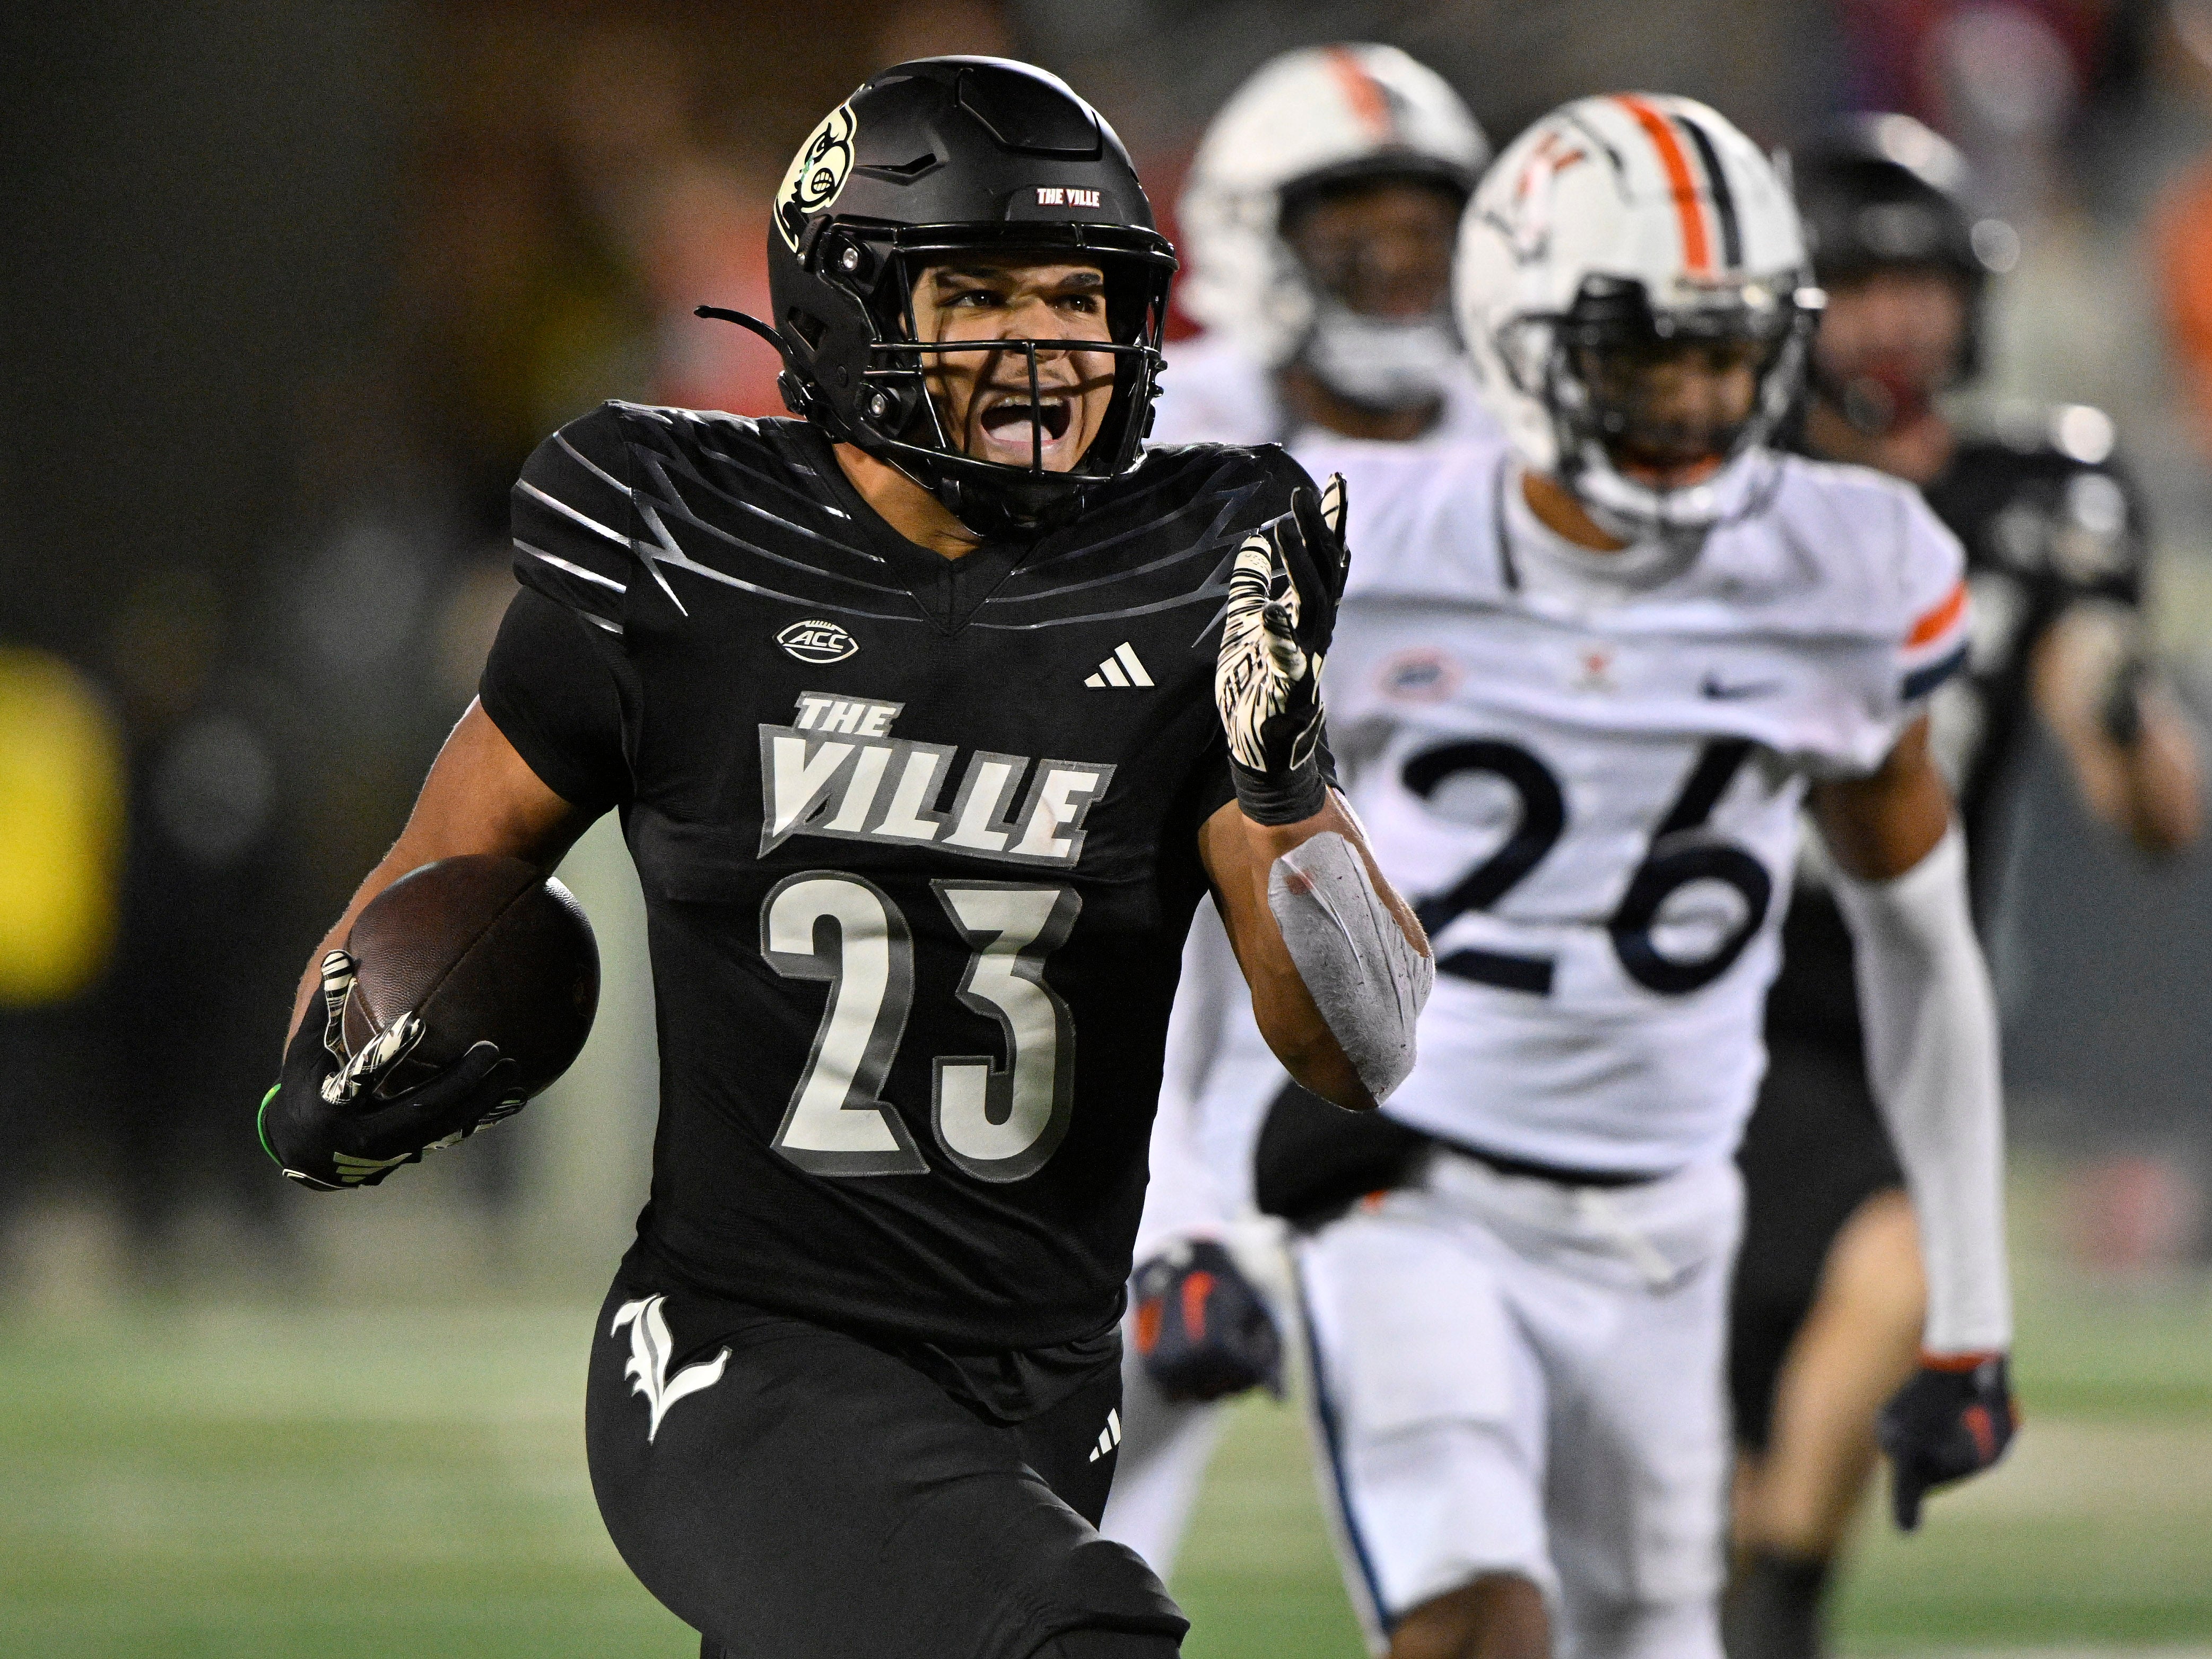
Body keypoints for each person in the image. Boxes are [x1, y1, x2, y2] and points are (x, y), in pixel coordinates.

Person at [254, 57, 1433, 1659]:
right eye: (984, 295)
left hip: (1045, 1374)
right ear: (846, 312)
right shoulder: (678, 541)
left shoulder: (1195, 570)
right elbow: (414, 905)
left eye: (1085, 299)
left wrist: (1286, 786)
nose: (1051, 346)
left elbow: (1360, 1048)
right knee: (1080, 1634)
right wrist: (347, 1060)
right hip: (740, 1347)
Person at [1264, 94, 2019, 1659]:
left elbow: (1924, 951)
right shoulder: (1351, 539)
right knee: (1474, 1617)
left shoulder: (1845, 568)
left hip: (1675, 1215)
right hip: (1415, 1183)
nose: (1687, 398)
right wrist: (1189, 1199)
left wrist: (1973, 1305)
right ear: (1519, 337)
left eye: (1720, 352)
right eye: (1641, 355)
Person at [1720, 115, 2205, 1659]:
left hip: (1898, 991)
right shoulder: (1719, 487)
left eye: (1922, 278)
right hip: (1706, 989)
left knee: (1893, 1286)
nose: (1898, 316)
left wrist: (2125, 718)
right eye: (1858, 282)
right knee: (1709, 1459)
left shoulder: (2034, 491)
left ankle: (1778, 1610)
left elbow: (2141, 796)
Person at [1100, 40, 1492, 1579]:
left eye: (1425, 238)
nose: (1400, 273)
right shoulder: (1164, 434)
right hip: (1202, 1003)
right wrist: (1182, 1210)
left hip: (1454, 1016)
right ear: (1265, 237)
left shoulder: (1530, 444)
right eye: (1358, 238)